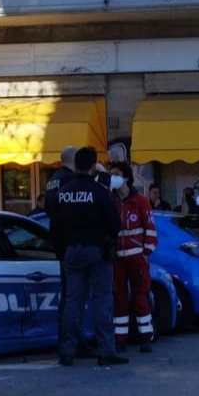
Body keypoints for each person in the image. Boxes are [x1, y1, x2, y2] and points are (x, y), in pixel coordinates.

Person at [49, 146, 127, 367]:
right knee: (103, 300)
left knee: (73, 302)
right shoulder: (99, 192)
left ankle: (67, 351)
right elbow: (115, 224)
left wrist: (62, 252)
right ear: (93, 166)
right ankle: (106, 352)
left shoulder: (63, 193)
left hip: (72, 252)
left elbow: (55, 227)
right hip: (97, 252)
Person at [108, 162, 158, 353]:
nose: (113, 177)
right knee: (119, 298)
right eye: (111, 174)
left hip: (137, 257)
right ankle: (120, 338)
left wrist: (146, 253)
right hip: (117, 259)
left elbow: (151, 230)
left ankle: (146, 336)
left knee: (140, 296)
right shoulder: (110, 201)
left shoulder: (141, 201)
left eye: (117, 174)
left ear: (127, 177)